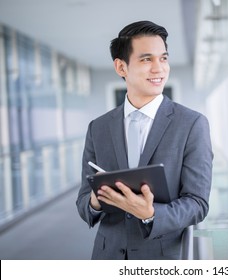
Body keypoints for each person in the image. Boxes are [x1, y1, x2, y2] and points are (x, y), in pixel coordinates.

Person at [76, 20, 213, 260]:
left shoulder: (192, 124)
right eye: (147, 59)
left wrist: (150, 213)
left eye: (163, 58)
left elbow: (197, 204)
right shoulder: (98, 128)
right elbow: (83, 204)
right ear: (121, 67)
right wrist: (96, 201)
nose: (159, 69)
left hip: (162, 259)